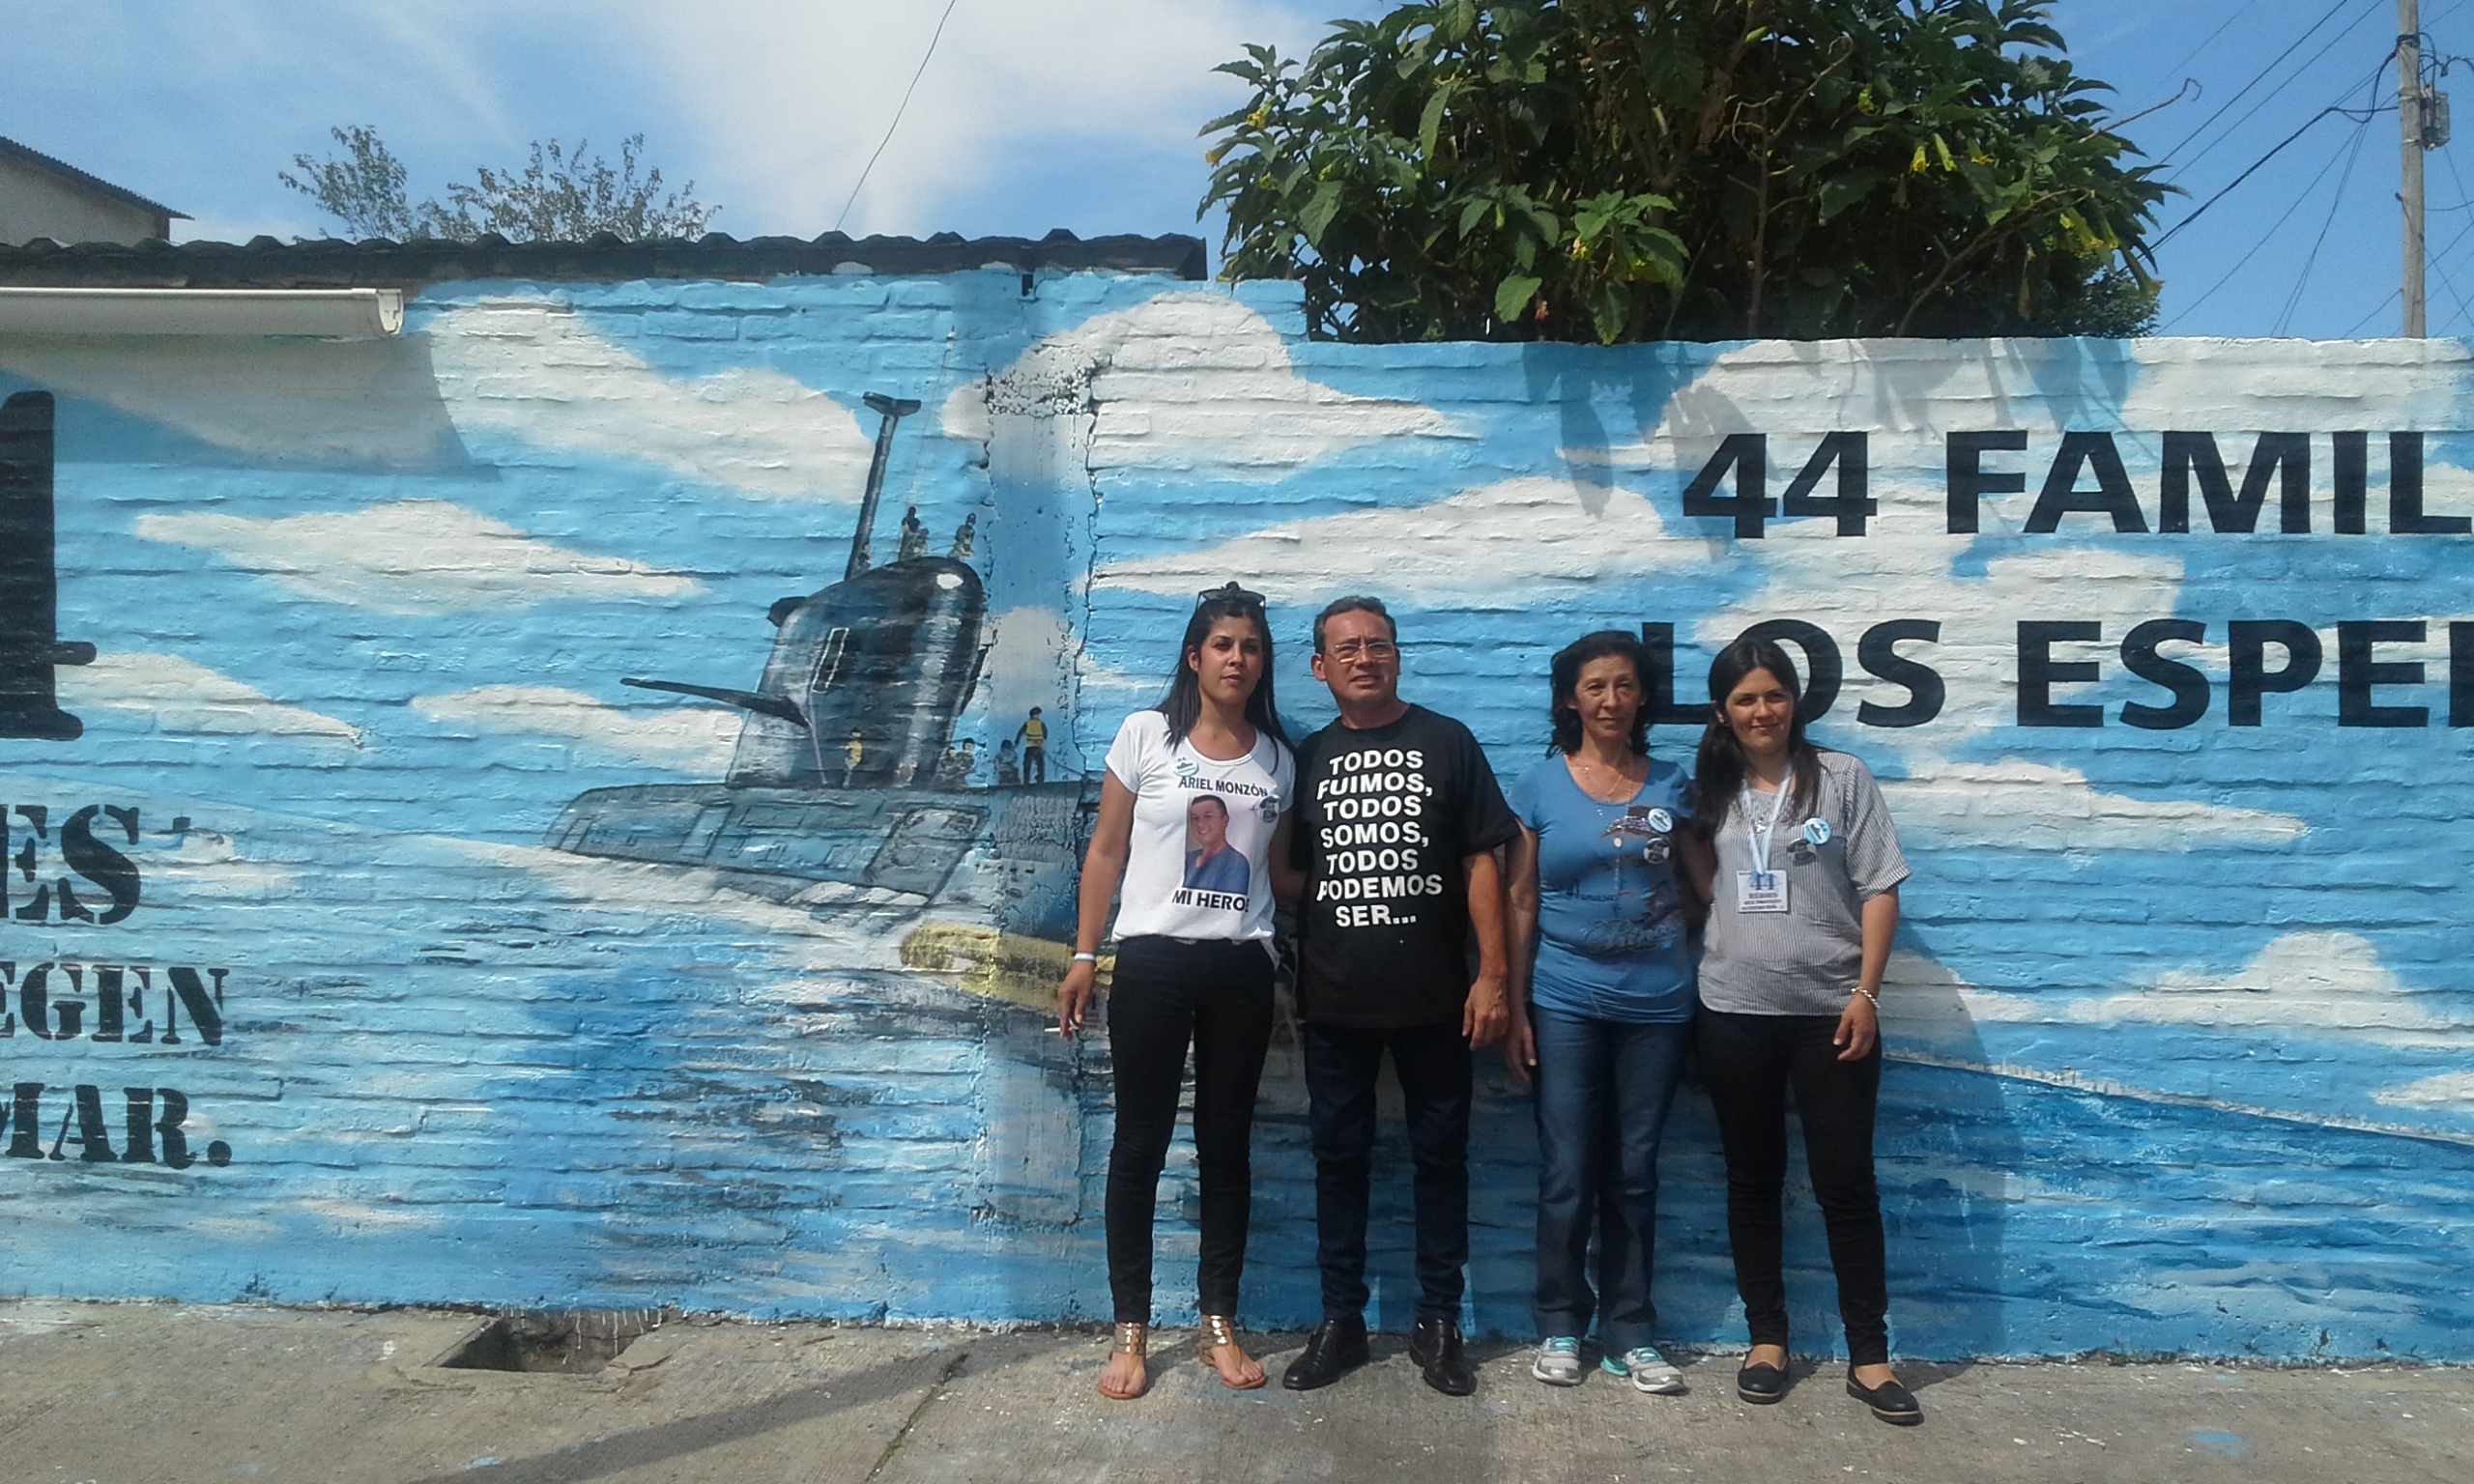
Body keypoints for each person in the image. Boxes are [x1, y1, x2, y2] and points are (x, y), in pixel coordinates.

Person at [1273, 595, 1517, 1398]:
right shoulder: (1305, 757)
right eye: (1347, 649)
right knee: (1339, 1160)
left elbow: (1486, 860)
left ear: (1398, 656)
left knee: (1440, 1160)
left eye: (1378, 644)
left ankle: (1438, 1322)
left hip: (1438, 1001)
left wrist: (1492, 976)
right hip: (1336, 1003)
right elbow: (1290, 870)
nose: (1365, 658)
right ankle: (1341, 1321)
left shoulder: (1447, 743)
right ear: (1320, 667)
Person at [1057, 582, 1295, 1402]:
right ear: (1195, 656)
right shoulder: (1145, 735)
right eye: (1223, 644)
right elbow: (1105, 853)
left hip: (1239, 973)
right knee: (1140, 1144)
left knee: (1227, 1149)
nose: (1237, 658)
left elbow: (1285, 873)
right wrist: (1085, 954)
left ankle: (1219, 1324)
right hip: (1153, 965)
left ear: (1263, 664)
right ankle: (1131, 1329)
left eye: (1251, 646)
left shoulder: (1278, 758)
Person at [1678, 636, 1919, 1427]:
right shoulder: (1708, 791)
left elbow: (1879, 887)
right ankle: (1767, 1340)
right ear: (1723, 712)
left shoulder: (1842, 779)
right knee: (1752, 1180)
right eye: (1744, 699)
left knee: (1846, 1184)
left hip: (1830, 1017)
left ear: (1795, 701)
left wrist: (1867, 994)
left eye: (1773, 695)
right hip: (1732, 1012)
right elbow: (1704, 883)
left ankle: (1870, 1355)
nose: (1761, 711)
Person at [1502, 631, 1695, 1397]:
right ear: (1569, 700)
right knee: (1567, 1169)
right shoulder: (1538, 788)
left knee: (1637, 1171)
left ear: (1641, 695)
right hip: (1565, 1000)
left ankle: (1631, 1334)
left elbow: (1706, 885)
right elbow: (1519, 899)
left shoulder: (1676, 785)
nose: (1610, 701)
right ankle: (1560, 1322)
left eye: (1623, 686)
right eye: (1594, 688)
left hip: (1660, 1005)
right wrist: (1514, 1005)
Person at [1181, 795, 1251, 893]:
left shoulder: (1235, 862)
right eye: (1195, 818)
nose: (1200, 824)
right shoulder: (1187, 859)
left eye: (1208, 816)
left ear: (1225, 820)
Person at [1014, 707, 1050, 784]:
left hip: (1030, 746)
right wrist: (1043, 739)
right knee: (1040, 764)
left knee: (1027, 764)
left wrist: (1017, 741)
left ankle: (1026, 780)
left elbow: (1021, 732)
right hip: (1039, 746)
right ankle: (1040, 779)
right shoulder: (1041, 723)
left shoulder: (1027, 723)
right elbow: (1045, 733)